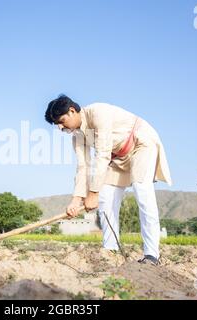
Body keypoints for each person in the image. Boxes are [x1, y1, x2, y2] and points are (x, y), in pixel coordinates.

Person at [44, 94, 172, 265]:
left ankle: (152, 255)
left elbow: (102, 154)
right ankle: (111, 248)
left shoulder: (98, 113)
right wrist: (76, 200)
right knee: (106, 197)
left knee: (142, 191)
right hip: (118, 156)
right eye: (57, 125)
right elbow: (83, 167)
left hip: (140, 143)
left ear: (72, 111)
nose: (60, 128)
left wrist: (93, 193)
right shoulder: (76, 137)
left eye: (61, 122)